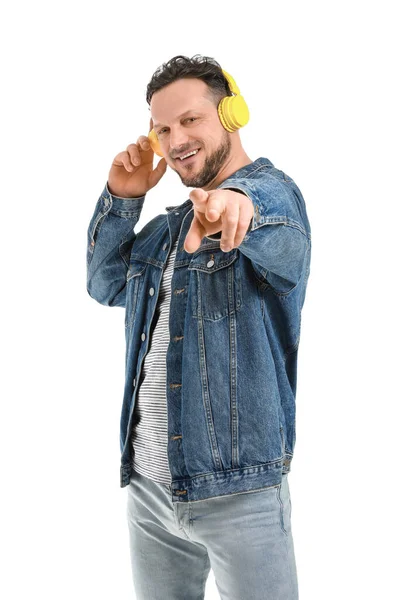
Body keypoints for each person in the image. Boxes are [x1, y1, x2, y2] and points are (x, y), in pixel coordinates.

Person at [86, 54, 311, 600]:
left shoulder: (274, 197)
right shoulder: (166, 231)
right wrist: (123, 196)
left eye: (190, 120)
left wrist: (238, 206)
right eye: (162, 128)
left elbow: (273, 224)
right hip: (149, 490)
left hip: (242, 494)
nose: (176, 138)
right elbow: (105, 282)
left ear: (231, 115)